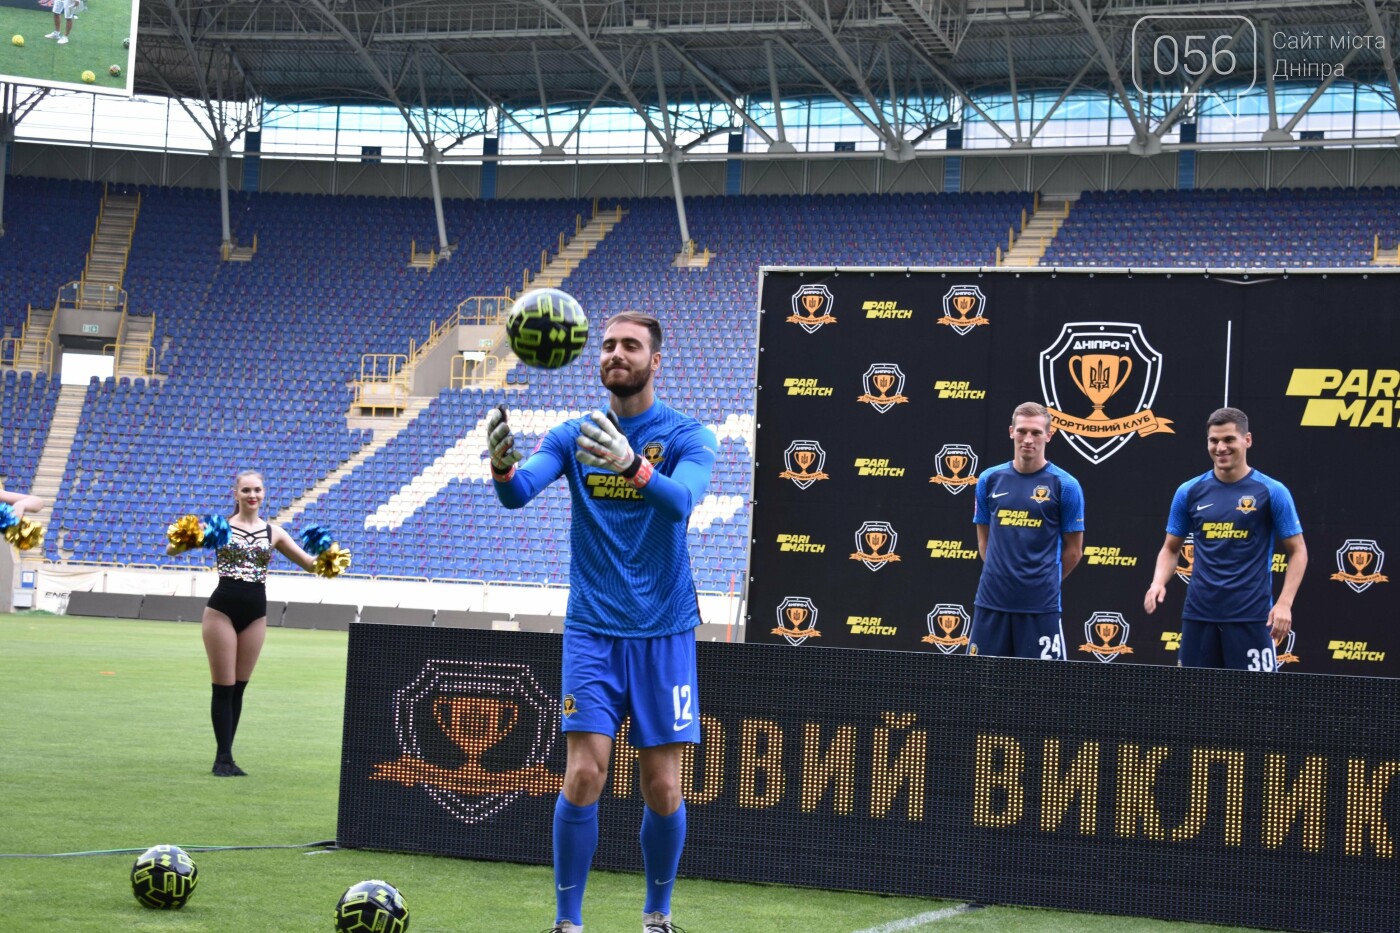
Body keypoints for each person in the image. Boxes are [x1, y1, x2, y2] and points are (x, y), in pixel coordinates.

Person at [487, 311, 717, 933]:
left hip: (665, 629)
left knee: (663, 787)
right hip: (592, 628)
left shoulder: (692, 435)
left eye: (631, 346)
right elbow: (518, 493)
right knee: (585, 771)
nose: (617, 353)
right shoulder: (571, 434)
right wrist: (503, 467)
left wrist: (632, 465)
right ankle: (567, 922)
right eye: (609, 344)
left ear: (655, 360)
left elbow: (681, 503)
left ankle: (657, 914)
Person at [179, 470, 321, 776]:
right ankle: (222, 759)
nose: (252, 495)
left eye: (257, 490)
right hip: (222, 611)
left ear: (264, 493)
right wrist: (183, 536)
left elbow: (309, 564)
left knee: (239, 689)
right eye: (246, 490)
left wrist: (331, 557)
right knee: (223, 688)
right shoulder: (220, 527)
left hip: (256, 613)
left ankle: (228, 758)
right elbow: (171, 549)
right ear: (236, 494)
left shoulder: (275, 533)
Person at [1144, 407, 1307, 671]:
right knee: (1194, 703)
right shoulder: (1189, 491)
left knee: (1256, 706)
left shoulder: (1272, 491)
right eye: (1214, 440)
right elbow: (1170, 549)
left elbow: (1298, 550)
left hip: (1251, 616)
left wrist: (1284, 604)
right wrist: (1158, 582)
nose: (1221, 448)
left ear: (1247, 440)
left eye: (1229, 439)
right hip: (1199, 615)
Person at [968, 402, 1085, 659]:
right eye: (1022, 431)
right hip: (991, 603)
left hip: (1040, 607)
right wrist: (1005, 579)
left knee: (1042, 691)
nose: (1028, 439)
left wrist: (1039, 583)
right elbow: (983, 542)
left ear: (1049, 435)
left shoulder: (1065, 485)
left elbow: (1074, 552)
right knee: (978, 688)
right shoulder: (989, 479)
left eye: (1036, 433)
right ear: (1011, 432)